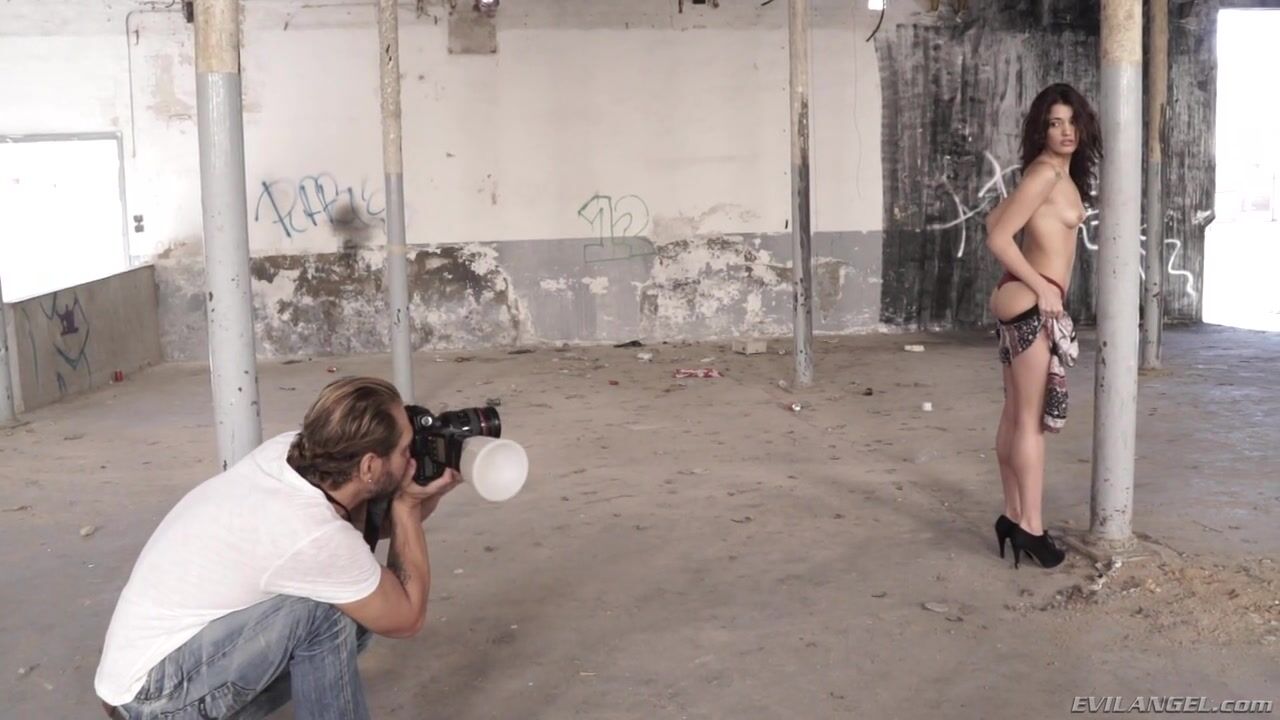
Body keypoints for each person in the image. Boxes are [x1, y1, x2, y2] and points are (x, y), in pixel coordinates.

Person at [94, 377, 461, 719]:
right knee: (324, 612)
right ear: (368, 466)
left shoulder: (293, 453)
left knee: (359, 600)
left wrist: (415, 491)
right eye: (404, 450)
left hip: (152, 669)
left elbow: (361, 535)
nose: (411, 457)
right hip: (150, 699)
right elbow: (405, 618)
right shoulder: (310, 530)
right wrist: (407, 508)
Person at [984, 83, 1100, 569]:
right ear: (1042, 129)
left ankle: (1013, 516)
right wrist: (1043, 287)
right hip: (1032, 302)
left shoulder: (1052, 174)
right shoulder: (1046, 173)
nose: (1066, 131)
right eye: (1055, 123)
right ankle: (1031, 528)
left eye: (1072, 121)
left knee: (1015, 415)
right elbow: (997, 237)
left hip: (1019, 298)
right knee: (1030, 423)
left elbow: (994, 217)